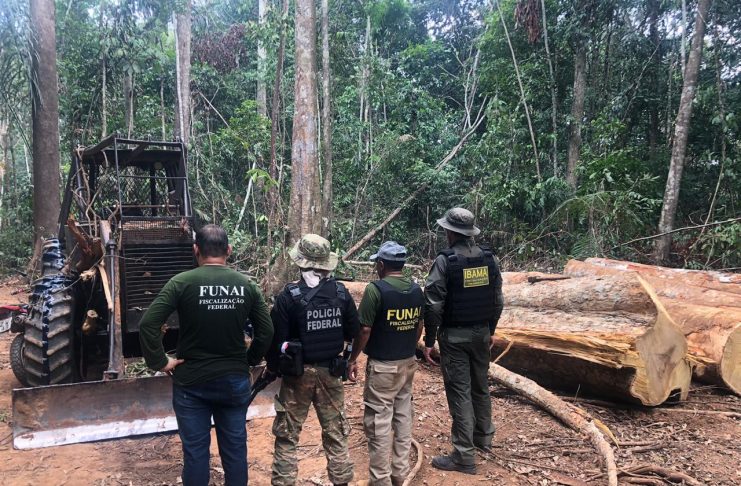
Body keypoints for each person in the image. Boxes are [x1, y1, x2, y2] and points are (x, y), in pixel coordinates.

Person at [139, 224, 274, 486]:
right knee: (235, 451)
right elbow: (266, 330)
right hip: (234, 382)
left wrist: (160, 361)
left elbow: (148, 324)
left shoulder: (181, 282)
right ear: (229, 250)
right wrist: (250, 360)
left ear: (196, 250)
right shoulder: (246, 285)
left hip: (191, 384)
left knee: (195, 454)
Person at [267, 234, 359, 486]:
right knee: (336, 433)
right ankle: (342, 482)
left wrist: (273, 368)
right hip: (332, 371)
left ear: (301, 262)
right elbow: (354, 330)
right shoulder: (341, 293)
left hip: (298, 375)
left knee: (287, 436)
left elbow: (276, 339)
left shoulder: (289, 296)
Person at [423, 208, 504, 475]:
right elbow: (497, 299)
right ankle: (483, 438)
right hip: (481, 334)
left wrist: (429, 339)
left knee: (460, 392)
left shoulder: (445, 261)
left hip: (455, 336)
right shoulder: (489, 259)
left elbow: (433, 304)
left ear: (450, 232)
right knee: (480, 386)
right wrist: (490, 329)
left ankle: (463, 456)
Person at [347, 241, 424, 486]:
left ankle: (380, 480)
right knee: (403, 416)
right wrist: (409, 346)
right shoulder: (416, 290)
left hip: (383, 367)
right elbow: (419, 325)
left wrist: (352, 359)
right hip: (408, 363)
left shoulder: (375, 290)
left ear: (381, 264)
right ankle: (399, 473)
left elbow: (365, 329)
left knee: (379, 423)